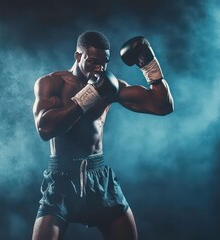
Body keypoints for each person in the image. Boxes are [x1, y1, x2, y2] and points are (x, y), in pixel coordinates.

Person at [31, 31, 174, 240]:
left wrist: (149, 65)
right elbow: (45, 129)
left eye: (104, 63)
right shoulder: (51, 83)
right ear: (78, 56)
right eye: (94, 61)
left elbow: (162, 106)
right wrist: (89, 94)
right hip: (62, 178)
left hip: (99, 178)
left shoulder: (110, 85)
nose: (100, 68)